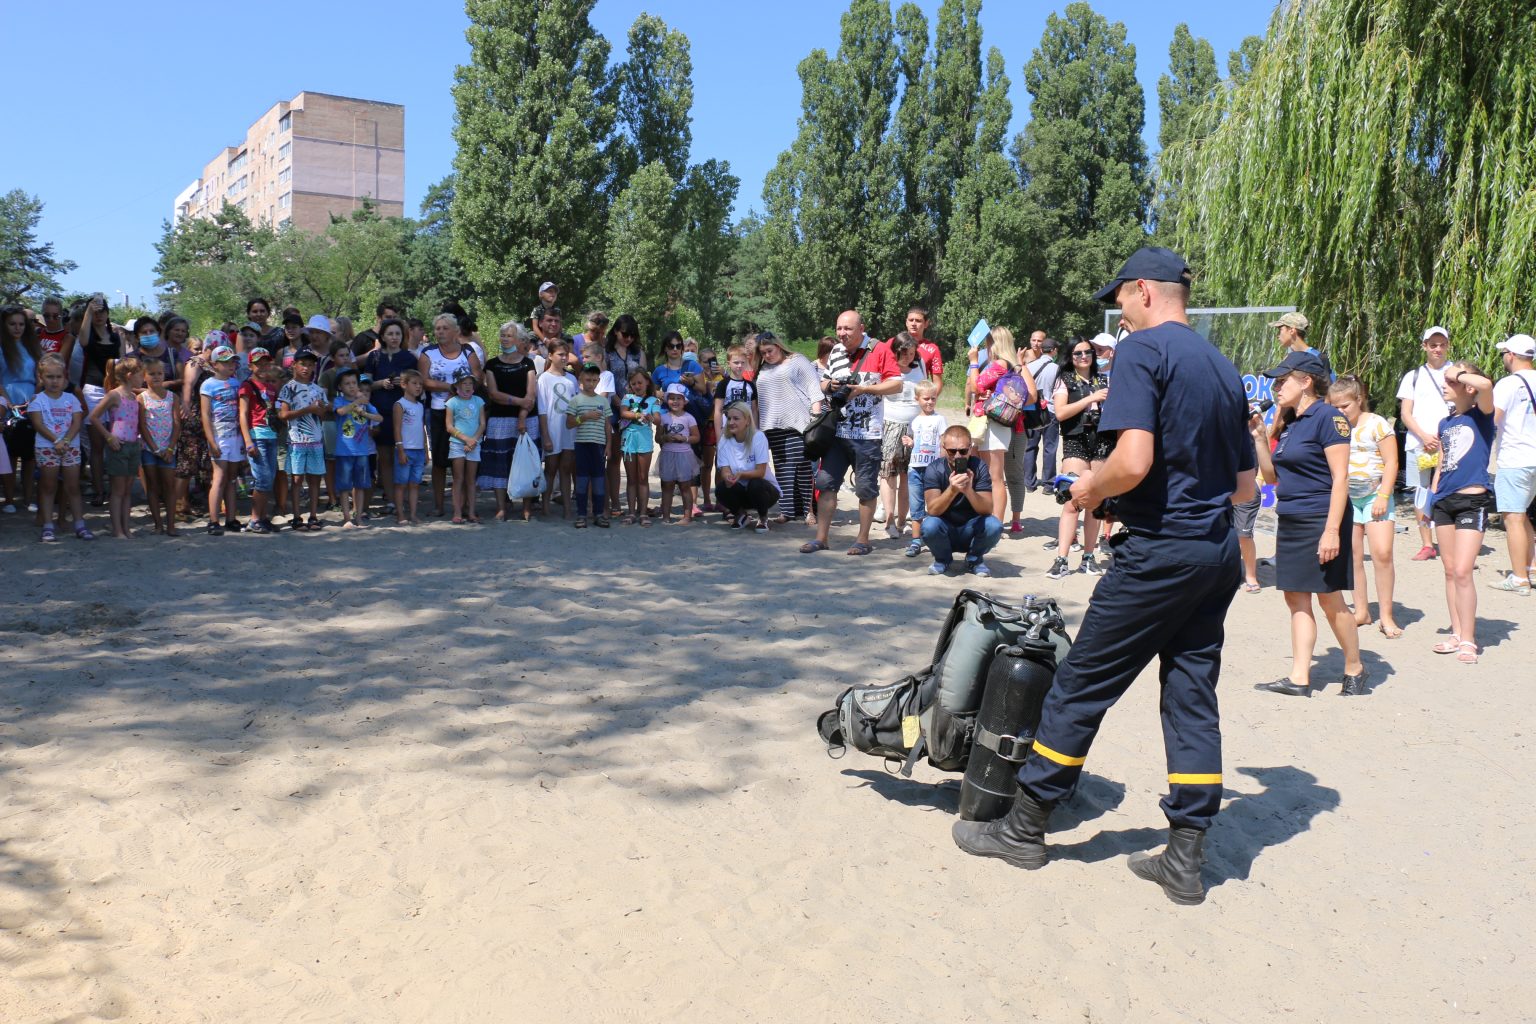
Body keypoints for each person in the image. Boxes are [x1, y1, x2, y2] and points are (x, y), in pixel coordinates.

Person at [952, 246, 1254, 907]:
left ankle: (1024, 828)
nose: (1118, 313)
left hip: (1159, 553)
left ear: (1143, 290)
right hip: (1216, 553)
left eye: (1118, 298)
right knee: (1191, 697)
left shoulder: (1145, 353)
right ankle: (1185, 854)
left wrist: (1091, 488)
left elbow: (1135, 459)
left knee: (1081, 686)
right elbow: (1245, 482)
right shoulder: (1225, 369)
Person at [1251, 352, 1366, 696]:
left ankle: (1355, 667)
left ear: (1307, 382)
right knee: (1295, 598)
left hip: (1321, 518)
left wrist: (1332, 530)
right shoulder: (1289, 422)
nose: (1276, 387)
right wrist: (1259, 437)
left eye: (1283, 380)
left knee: (1329, 599)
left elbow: (1341, 478)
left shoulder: (1328, 417)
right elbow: (1271, 478)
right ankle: (1300, 677)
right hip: (1292, 517)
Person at [802, 310, 901, 556]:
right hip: (837, 432)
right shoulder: (835, 351)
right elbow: (823, 382)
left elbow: (897, 383)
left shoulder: (879, 350)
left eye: (847, 329)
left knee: (866, 488)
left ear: (861, 328)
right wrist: (830, 385)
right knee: (826, 483)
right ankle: (821, 538)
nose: (842, 334)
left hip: (868, 434)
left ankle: (863, 540)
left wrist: (865, 388)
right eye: (839, 329)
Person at [1429, 362, 1496, 664]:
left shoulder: (1481, 414)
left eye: (1451, 378)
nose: (1445, 382)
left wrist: (1458, 373)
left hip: (1472, 502)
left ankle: (1469, 639)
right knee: (1448, 570)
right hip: (1444, 501)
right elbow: (1443, 459)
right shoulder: (1446, 422)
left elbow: (1486, 386)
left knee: (1462, 571)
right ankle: (1456, 632)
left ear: (1467, 384)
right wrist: (1433, 493)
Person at [1327, 376, 1402, 635]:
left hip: (1375, 496)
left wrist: (1383, 495)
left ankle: (1387, 616)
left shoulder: (1377, 424)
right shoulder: (1336, 427)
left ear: (1359, 400)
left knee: (1381, 553)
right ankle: (1361, 611)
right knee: (1355, 556)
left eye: (1345, 406)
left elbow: (1392, 462)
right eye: (1334, 407)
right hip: (1348, 498)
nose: (1340, 412)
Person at [1045, 338, 1112, 578]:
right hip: (1076, 442)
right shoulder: (1065, 381)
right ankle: (1061, 559)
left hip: (1102, 443)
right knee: (1071, 501)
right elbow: (1061, 413)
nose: (1084, 356)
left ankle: (1088, 557)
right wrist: (1090, 399)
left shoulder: (1104, 379)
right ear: (1070, 357)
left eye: (1087, 352)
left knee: (1095, 504)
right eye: (1077, 353)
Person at [971, 327, 1036, 543]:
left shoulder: (1000, 364)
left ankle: (995, 524)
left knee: (995, 477)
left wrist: (973, 361)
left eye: (988, 344)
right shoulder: (1011, 366)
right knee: (991, 475)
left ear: (996, 344)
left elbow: (976, 385)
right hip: (998, 425)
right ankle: (991, 520)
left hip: (995, 425)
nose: (986, 349)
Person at [1397, 326, 1453, 560]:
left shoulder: (1457, 373)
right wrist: (1424, 436)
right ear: (1425, 347)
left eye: (1441, 344)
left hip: (1450, 443)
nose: (1437, 349)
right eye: (1433, 345)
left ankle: (1452, 544)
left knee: (1451, 492)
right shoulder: (1413, 376)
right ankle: (1427, 544)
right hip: (1419, 443)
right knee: (1420, 492)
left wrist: (1441, 438)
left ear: (1448, 346)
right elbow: (1405, 413)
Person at [419, 312, 483, 517]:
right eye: (437, 328)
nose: (440, 332)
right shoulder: (428, 353)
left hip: (466, 413)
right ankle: (438, 505)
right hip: (438, 411)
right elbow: (424, 381)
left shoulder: (468, 351)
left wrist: (462, 390)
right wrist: (451, 387)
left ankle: (464, 507)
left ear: (456, 331)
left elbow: (478, 376)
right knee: (438, 461)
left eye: (445, 328)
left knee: (464, 460)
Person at [754, 331, 821, 525]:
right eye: (763, 352)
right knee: (782, 469)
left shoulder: (797, 360)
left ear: (779, 346)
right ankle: (787, 511)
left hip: (799, 424)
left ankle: (809, 512)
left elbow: (814, 389)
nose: (767, 355)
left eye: (770, 350)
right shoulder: (763, 369)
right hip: (772, 426)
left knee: (804, 469)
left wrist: (815, 420)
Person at [1489, 334, 1536, 594]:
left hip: (1515, 457)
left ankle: (1519, 577)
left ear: (1511, 355)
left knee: (1513, 518)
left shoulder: (1508, 385)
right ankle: (1532, 566)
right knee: (1522, 514)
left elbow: (1492, 419)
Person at [920, 425, 1001, 576]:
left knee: (994, 525)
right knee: (929, 525)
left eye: (963, 451)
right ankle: (942, 559)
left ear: (970, 448)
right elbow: (932, 510)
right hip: (944, 527)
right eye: (952, 451)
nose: (958, 456)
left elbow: (987, 509)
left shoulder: (979, 467)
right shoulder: (934, 469)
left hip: (971, 527)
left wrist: (968, 490)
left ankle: (974, 559)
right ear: (943, 448)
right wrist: (952, 489)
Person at [480, 321, 539, 520]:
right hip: (500, 420)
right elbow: (494, 394)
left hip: (527, 420)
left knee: (526, 462)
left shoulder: (528, 363)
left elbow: (531, 395)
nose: (504, 338)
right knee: (500, 462)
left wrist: (522, 414)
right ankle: (501, 507)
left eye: (509, 335)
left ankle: (526, 507)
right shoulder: (492, 364)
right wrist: (520, 401)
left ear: (519, 339)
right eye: (502, 335)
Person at [30, 355, 92, 541]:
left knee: (72, 486)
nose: (54, 381)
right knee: (49, 486)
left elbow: (76, 422)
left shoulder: (71, 399)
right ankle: (48, 525)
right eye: (49, 377)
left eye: (58, 377)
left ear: (65, 378)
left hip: (69, 446)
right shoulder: (37, 400)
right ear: (41, 378)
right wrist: (56, 440)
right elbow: (38, 424)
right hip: (47, 447)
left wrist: (65, 441)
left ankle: (79, 524)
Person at [86, 357, 148, 539]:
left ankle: (126, 528)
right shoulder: (114, 394)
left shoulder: (134, 397)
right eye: (140, 375)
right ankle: (117, 529)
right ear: (130, 376)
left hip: (132, 445)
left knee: (127, 490)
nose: (143, 378)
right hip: (118, 447)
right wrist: (108, 436)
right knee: (118, 490)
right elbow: (94, 416)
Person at [876, 333, 930, 539]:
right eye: (904, 353)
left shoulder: (920, 367)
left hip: (914, 425)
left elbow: (926, 391)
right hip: (890, 423)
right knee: (888, 473)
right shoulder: (887, 367)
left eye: (911, 353)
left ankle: (902, 520)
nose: (908, 357)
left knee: (909, 475)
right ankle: (889, 519)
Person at [363, 318, 419, 515]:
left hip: (403, 412)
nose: (394, 337)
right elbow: (366, 384)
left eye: (398, 334)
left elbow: (417, 385)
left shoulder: (409, 358)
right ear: (383, 336)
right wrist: (381, 383)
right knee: (385, 457)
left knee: (403, 457)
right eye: (390, 334)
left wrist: (402, 382)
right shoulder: (374, 357)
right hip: (379, 411)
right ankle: (391, 500)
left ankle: (403, 499)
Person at [77, 295, 121, 506]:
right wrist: (88, 310)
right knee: (96, 445)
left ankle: (116, 490)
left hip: (114, 391)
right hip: (93, 390)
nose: (99, 315)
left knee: (116, 441)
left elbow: (123, 364)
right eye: (95, 312)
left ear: (107, 312)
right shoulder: (89, 336)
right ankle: (99, 490)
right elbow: (83, 340)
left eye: (102, 311)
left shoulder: (116, 337)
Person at [278, 350, 327, 532]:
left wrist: (320, 409)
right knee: (297, 480)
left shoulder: (318, 389)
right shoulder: (288, 388)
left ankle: (313, 516)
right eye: (303, 364)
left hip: (315, 440)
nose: (306, 368)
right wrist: (307, 409)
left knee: (315, 480)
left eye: (310, 364)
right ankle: (297, 516)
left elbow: (322, 413)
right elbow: (283, 414)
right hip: (297, 440)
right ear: (294, 365)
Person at [1, 305, 43, 515]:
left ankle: (28, 498)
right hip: (5, 404)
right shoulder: (1, 347)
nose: (17, 328)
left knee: (29, 455)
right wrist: (8, 403)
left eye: (21, 324)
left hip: (30, 404)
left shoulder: (32, 347)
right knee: (8, 455)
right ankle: (9, 499)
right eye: (12, 324)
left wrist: (34, 398)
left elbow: (40, 376)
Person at [200, 345, 245, 536]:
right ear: (214, 364)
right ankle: (213, 520)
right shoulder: (208, 385)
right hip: (219, 437)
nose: (230, 365)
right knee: (218, 478)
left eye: (232, 362)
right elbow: (205, 414)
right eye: (225, 362)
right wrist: (211, 441)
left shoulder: (236, 382)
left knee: (232, 479)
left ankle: (231, 518)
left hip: (236, 437)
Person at [716, 402, 780, 532]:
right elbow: (724, 470)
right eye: (729, 418)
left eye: (736, 418)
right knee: (721, 488)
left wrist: (741, 474)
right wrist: (728, 477)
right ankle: (741, 515)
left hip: (764, 491)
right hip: (741, 491)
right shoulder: (724, 440)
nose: (731, 422)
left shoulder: (758, 437)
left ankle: (763, 517)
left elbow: (760, 472)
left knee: (755, 483)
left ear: (747, 421)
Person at [238, 354, 282, 534]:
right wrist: (248, 442)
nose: (263, 367)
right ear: (250, 366)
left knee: (269, 479)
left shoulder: (271, 387)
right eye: (258, 364)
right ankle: (255, 519)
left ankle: (263, 518)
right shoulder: (247, 386)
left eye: (266, 363)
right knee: (262, 479)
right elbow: (242, 414)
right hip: (257, 436)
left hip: (271, 436)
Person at [564, 363, 612, 528]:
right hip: (582, 445)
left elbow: (607, 424)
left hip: (599, 445)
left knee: (598, 480)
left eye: (594, 380)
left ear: (598, 381)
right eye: (587, 379)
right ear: (580, 380)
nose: (591, 383)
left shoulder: (603, 401)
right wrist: (584, 417)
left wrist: (609, 445)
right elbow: (569, 423)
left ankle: (598, 514)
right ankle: (582, 515)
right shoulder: (576, 400)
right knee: (582, 480)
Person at [903, 381, 947, 558]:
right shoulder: (914, 421)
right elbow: (915, 442)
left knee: (935, 505)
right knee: (916, 505)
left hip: (933, 469)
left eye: (933, 398)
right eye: (926, 398)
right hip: (915, 467)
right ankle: (915, 540)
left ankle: (935, 537)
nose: (929, 402)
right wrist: (910, 443)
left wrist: (942, 465)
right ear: (917, 399)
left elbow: (943, 442)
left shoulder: (940, 419)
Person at [137, 358, 181, 535]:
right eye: (152, 374)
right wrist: (154, 448)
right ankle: (158, 524)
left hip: (168, 449)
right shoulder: (141, 398)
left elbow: (177, 424)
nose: (156, 377)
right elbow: (142, 425)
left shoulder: (173, 397)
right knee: (153, 486)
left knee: (169, 487)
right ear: (144, 377)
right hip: (149, 449)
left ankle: (171, 525)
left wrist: (170, 448)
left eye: (159, 373)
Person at [1019, 336, 1061, 509]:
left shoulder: (1029, 366)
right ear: (1054, 351)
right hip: (1050, 409)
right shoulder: (1057, 368)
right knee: (1050, 447)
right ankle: (1049, 484)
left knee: (1030, 446)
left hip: (1031, 410)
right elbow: (1058, 389)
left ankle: (1029, 482)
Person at [537, 341, 577, 518]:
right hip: (552, 430)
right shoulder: (544, 379)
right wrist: (545, 435)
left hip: (569, 431)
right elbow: (542, 409)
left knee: (566, 469)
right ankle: (545, 505)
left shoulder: (572, 379)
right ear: (550, 355)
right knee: (551, 469)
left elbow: (576, 405)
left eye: (566, 354)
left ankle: (567, 507)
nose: (564, 358)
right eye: (560, 354)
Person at [443, 369, 486, 524]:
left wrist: (473, 440)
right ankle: (457, 511)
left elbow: (482, 423)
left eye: (470, 383)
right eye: (464, 383)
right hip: (457, 444)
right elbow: (449, 426)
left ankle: (472, 511)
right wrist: (465, 439)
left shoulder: (478, 401)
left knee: (471, 479)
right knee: (458, 478)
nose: (467, 386)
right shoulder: (452, 402)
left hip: (474, 444)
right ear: (457, 385)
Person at [619, 370, 661, 526]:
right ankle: (631, 512)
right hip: (628, 441)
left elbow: (657, 420)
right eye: (634, 383)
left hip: (644, 442)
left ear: (647, 383)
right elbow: (623, 412)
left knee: (643, 478)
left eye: (640, 382)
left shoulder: (653, 401)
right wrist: (637, 415)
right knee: (631, 479)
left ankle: (643, 513)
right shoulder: (627, 398)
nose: (637, 386)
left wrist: (651, 417)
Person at [657, 383, 700, 523]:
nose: (675, 401)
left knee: (685, 486)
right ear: (667, 400)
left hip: (684, 455)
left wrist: (684, 438)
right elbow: (657, 438)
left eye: (679, 398)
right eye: (672, 398)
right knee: (667, 486)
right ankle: (666, 517)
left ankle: (687, 517)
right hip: (668, 454)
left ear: (684, 401)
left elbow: (696, 437)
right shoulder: (663, 418)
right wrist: (665, 438)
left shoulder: (689, 418)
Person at [392, 370, 428, 525]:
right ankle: (400, 514)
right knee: (401, 484)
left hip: (419, 449)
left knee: (415, 484)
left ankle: (413, 514)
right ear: (404, 384)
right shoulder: (400, 404)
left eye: (420, 384)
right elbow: (397, 428)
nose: (418, 387)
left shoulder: (420, 406)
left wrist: (426, 449)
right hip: (405, 448)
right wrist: (400, 449)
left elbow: (422, 427)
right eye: (414, 383)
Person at [1270, 311, 1332, 379]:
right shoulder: (1288, 358)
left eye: (1280, 330)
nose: (1277, 335)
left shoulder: (1318, 358)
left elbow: (1326, 387)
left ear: (1292, 330)